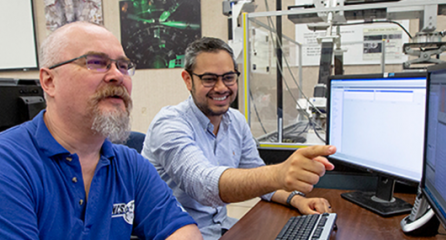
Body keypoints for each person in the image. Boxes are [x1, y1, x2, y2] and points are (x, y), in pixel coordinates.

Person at [0, 21, 202, 240]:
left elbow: (184, 232)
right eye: (96, 62)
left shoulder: (129, 165)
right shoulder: (8, 163)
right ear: (49, 81)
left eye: (123, 66)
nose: (117, 75)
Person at [142, 37, 337, 239]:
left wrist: (296, 199)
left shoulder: (235, 121)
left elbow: (258, 177)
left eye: (228, 77)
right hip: (179, 233)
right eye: (209, 79)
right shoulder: (169, 124)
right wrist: (278, 174)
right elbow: (202, 185)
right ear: (187, 79)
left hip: (222, 228)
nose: (221, 88)